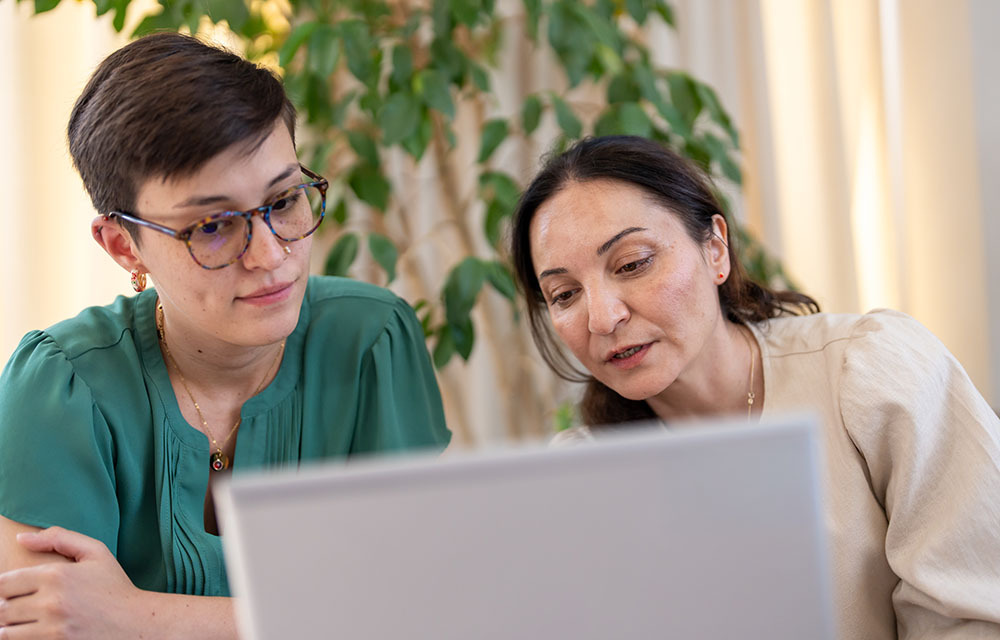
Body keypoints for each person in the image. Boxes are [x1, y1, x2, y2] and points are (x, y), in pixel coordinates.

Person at [0, 32, 450, 637]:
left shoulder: (372, 340)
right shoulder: (61, 385)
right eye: (212, 226)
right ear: (122, 245)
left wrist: (135, 617)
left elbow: (422, 613)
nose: (270, 254)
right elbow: (47, 625)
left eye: (285, 199)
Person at [510, 135, 1000, 639]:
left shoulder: (869, 370)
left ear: (715, 249)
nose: (603, 318)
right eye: (565, 294)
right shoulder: (584, 478)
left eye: (633, 263)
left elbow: (977, 609)